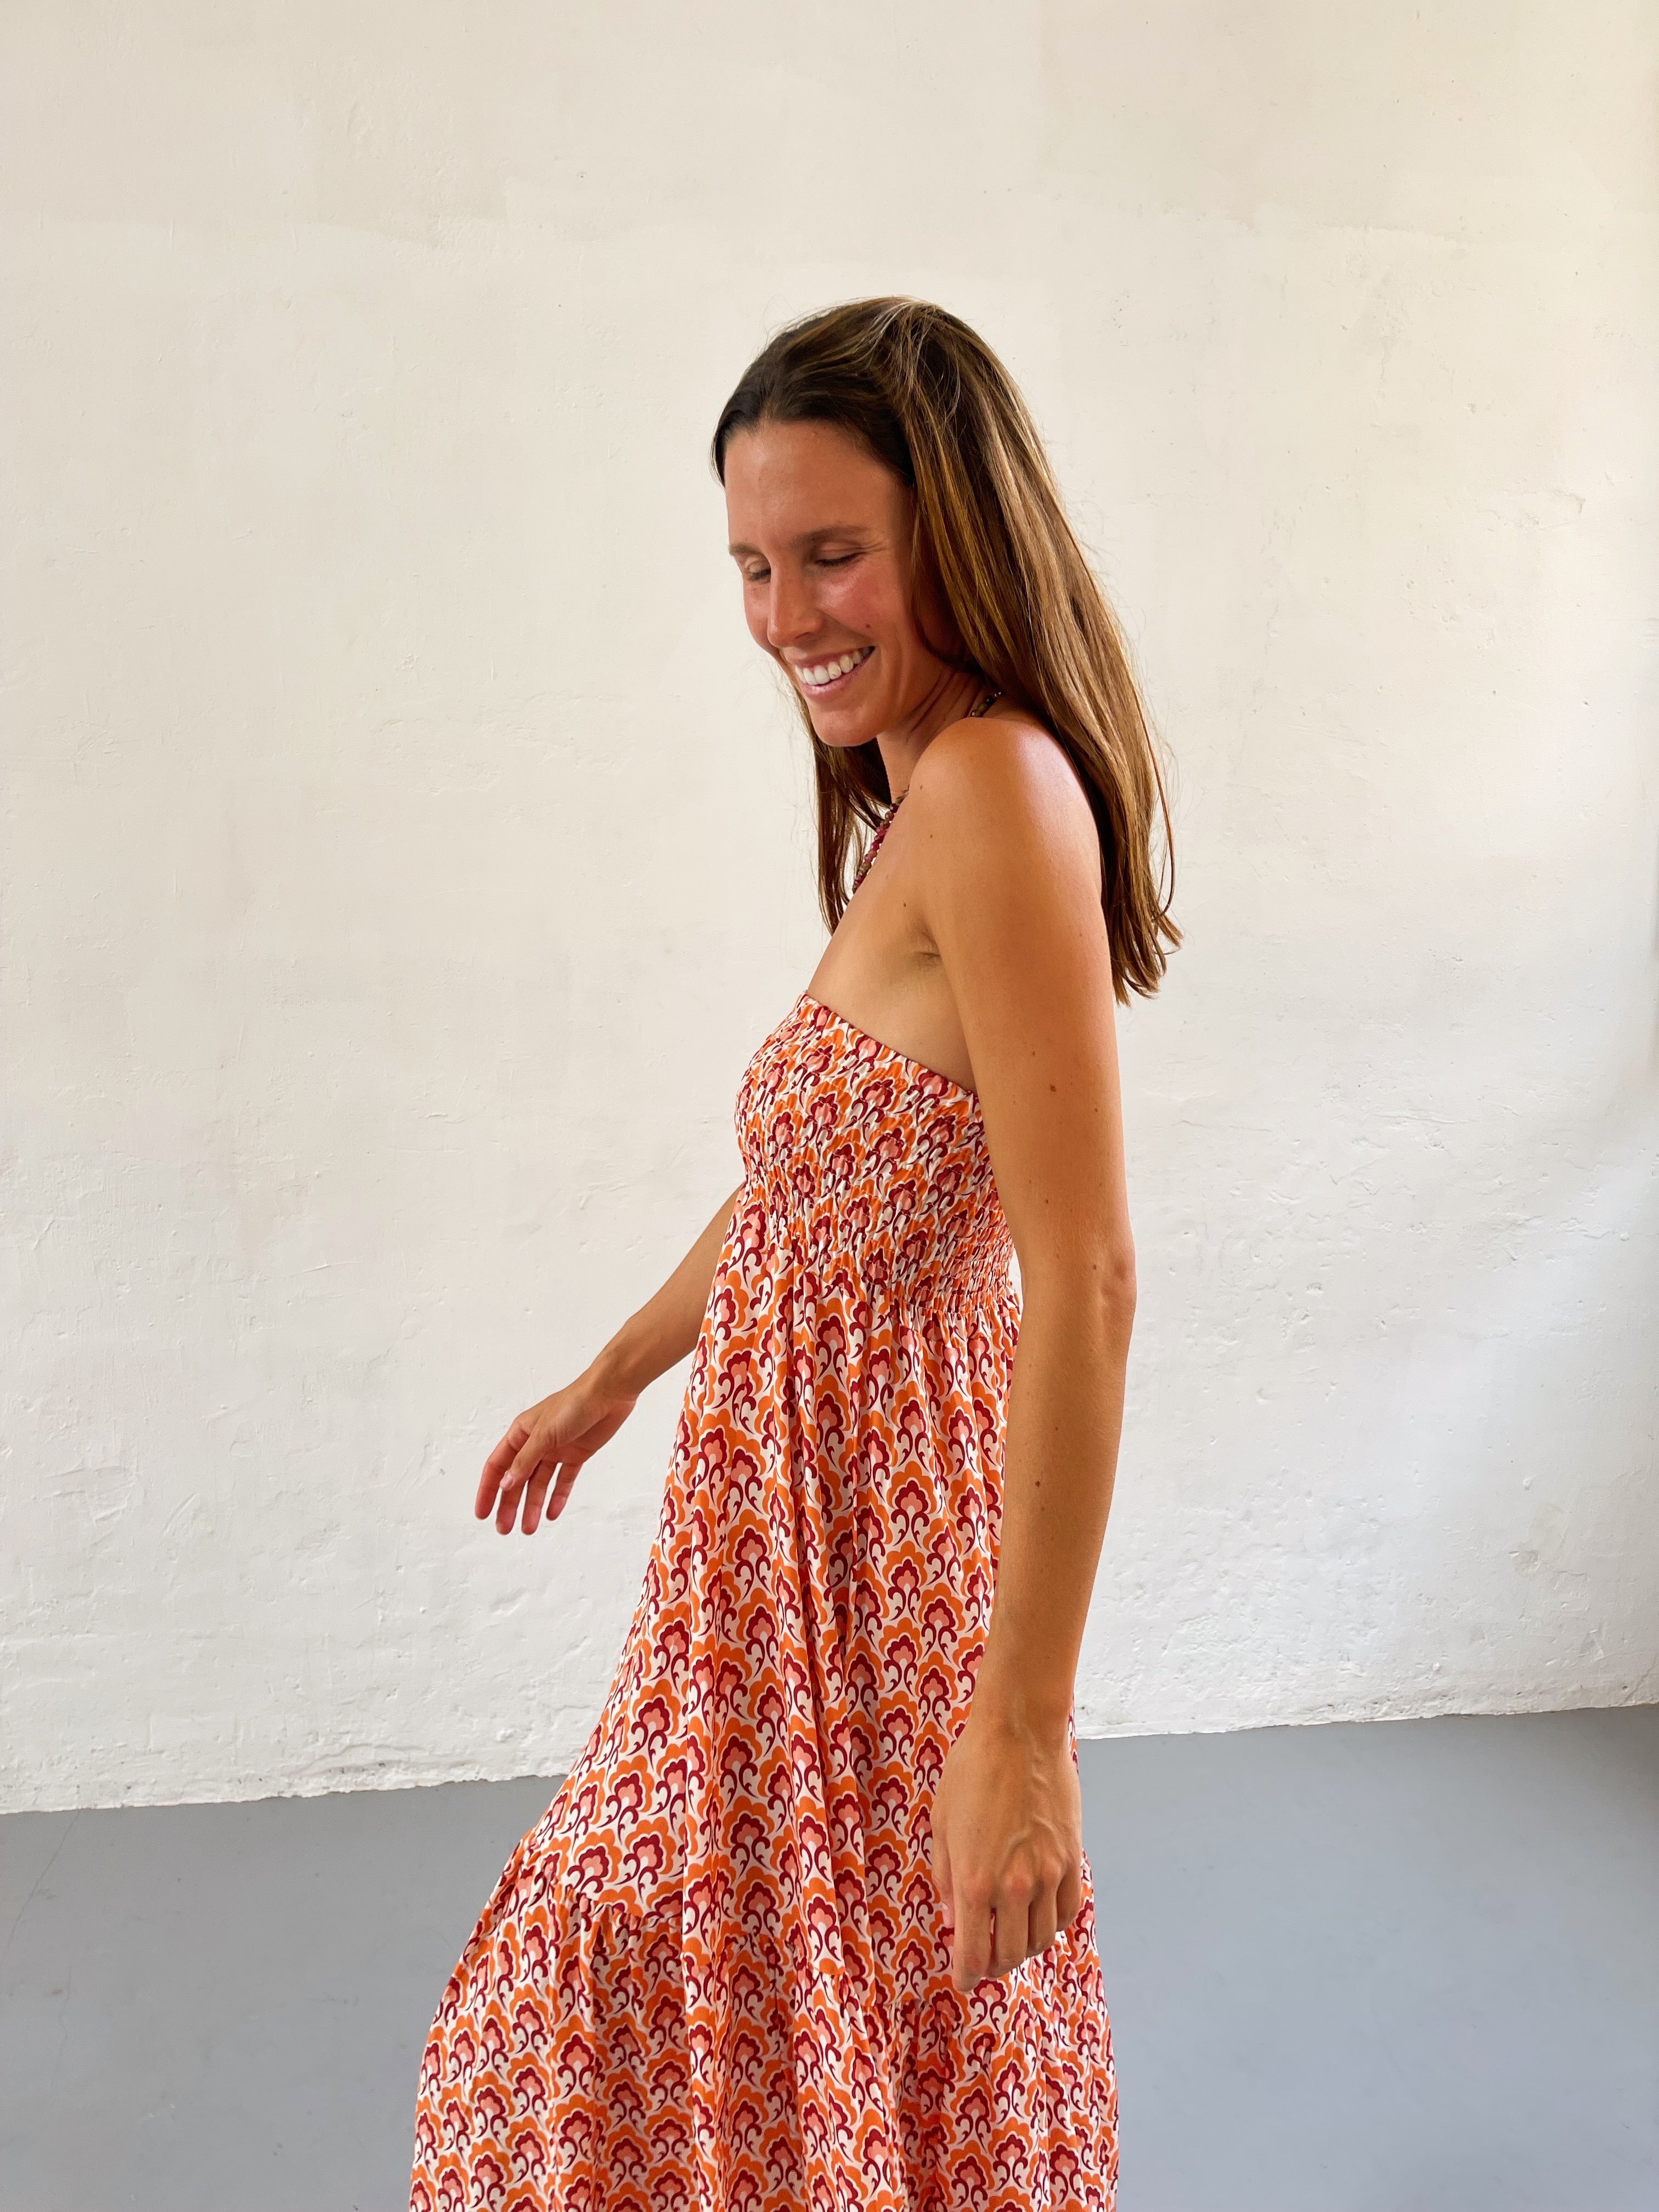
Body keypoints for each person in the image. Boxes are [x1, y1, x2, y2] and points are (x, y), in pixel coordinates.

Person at [410, 297, 1177, 2212]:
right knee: (769, 1992)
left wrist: (1027, 1725)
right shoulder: (928, 792)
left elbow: (1083, 1278)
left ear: (958, 535)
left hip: (877, 1543)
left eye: (831, 554)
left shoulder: (995, 792)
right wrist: (612, 1373)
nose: (786, 616)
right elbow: (818, 1186)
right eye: (754, 566)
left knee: (666, 1984)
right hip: (768, 1536)